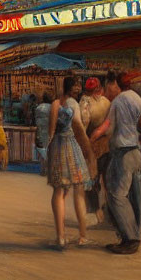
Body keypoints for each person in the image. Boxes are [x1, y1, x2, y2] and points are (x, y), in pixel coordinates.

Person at [90, 72, 141, 255]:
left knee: (116, 196)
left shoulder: (117, 101)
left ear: (115, 84)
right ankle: (134, 234)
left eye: (109, 85)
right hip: (135, 152)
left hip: (122, 153)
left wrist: (92, 136)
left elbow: (107, 126)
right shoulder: (138, 99)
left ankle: (130, 239)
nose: (107, 89)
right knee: (135, 197)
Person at [47, 77, 92, 249]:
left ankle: (61, 237)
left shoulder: (55, 104)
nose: (79, 88)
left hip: (58, 147)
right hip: (72, 147)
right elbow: (79, 127)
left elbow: (51, 132)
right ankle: (82, 235)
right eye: (77, 86)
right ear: (72, 88)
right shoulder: (74, 104)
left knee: (59, 192)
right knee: (79, 190)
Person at [79, 77, 111, 223]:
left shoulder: (85, 102)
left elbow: (83, 125)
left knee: (92, 179)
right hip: (107, 144)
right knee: (107, 179)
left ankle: (96, 210)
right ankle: (108, 210)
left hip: (92, 144)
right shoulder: (106, 102)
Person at [34, 92, 53, 175]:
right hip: (49, 132)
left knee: (42, 152)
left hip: (40, 132)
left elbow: (35, 120)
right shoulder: (52, 108)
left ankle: (43, 170)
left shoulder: (38, 108)